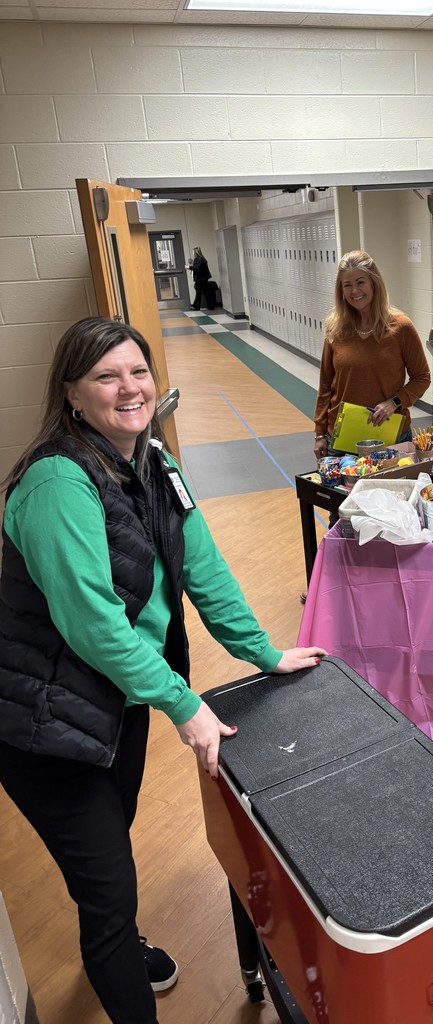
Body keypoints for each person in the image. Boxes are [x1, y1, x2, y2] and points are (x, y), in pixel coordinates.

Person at [0, 317, 326, 1024]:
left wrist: (264, 653)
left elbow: (204, 571)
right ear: (72, 395)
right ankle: (118, 953)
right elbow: (93, 624)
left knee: (110, 843)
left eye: (138, 371)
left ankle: (117, 942)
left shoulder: (154, 464)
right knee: (108, 889)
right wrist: (183, 703)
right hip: (42, 721)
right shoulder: (58, 480)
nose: (129, 388)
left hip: (112, 703)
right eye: (106, 376)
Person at [312, 250, 431, 462]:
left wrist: (394, 402)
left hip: (388, 436)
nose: (354, 291)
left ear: (374, 283)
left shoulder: (400, 327)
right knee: (345, 495)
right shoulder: (335, 329)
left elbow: (422, 377)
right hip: (341, 440)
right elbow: (325, 386)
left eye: (360, 282)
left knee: (393, 494)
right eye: (347, 285)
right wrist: (319, 433)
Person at [188, 245, 211, 310]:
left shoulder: (198, 259)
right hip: (203, 278)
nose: (192, 253)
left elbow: (197, 268)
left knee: (198, 292)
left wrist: (189, 267)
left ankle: (196, 306)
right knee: (206, 292)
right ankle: (210, 305)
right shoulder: (202, 259)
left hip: (200, 279)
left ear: (195, 252)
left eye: (193, 252)